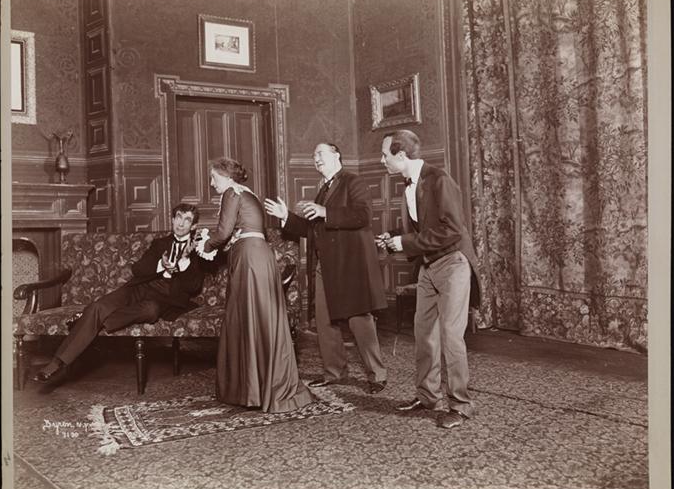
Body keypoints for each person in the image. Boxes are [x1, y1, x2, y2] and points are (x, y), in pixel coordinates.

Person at [32, 203, 205, 385]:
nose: (181, 223)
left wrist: (184, 264)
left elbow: (194, 286)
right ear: (173, 219)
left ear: (193, 226)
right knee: (99, 306)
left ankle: (86, 319)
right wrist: (161, 265)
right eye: (178, 217)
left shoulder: (198, 250)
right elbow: (138, 269)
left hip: (165, 298)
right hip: (139, 288)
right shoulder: (159, 244)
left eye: (187, 220)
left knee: (151, 310)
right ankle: (55, 365)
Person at [377, 129, 481, 429]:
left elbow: (452, 230)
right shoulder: (408, 185)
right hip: (429, 266)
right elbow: (424, 229)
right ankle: (428, 397)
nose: (382, 160)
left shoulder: (439, 179)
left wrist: (406, 243)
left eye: (384, 155)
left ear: (400, 155)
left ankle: (460, 405)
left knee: (450, 334)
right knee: (424, 333)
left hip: (453, 263)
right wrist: (395, 238)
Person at [264, 142, 388, 395]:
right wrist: (286, 217)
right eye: (313, 155)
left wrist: (325, 211)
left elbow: (362, 216)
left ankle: (377, 375)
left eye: (320, 153)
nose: (315, 159)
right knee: (324, 320)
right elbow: (312, 229)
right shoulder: (323, 189)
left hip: (350, 265)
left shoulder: (353, 182)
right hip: (325, 266)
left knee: (359, 320)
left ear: (336, 155)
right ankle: (335, 372)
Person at [198, 157, 315, 413]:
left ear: (226, 176)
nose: (212, 183)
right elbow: (241, 230)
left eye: (213, 178)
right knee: (259, 318)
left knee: (249, 318)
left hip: (250, 259)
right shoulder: (247, 193)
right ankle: (260, 387)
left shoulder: (231, 192)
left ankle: (253, 389)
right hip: (259, 256)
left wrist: (204, 244)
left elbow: (223, 232)